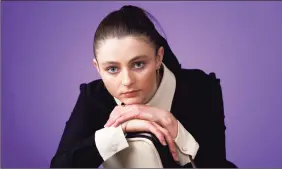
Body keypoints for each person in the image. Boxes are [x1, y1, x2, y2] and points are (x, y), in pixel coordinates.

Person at [50, 5, 237, 168]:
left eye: (138, 64)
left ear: (158, 58)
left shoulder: (200, 88)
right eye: (112, 68)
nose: (127, 81)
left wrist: (176, 128)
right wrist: (119, 130)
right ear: (97, 68)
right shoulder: (94, 97)